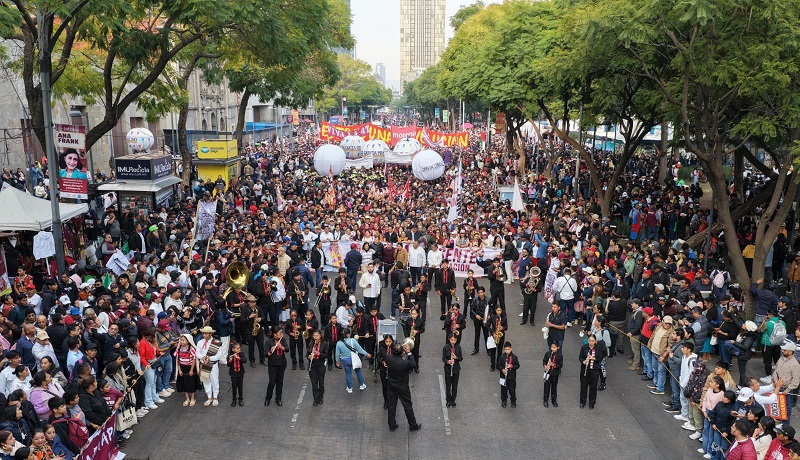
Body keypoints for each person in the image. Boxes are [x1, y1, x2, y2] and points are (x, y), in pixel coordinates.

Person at [383, 343, 421, 432]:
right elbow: (413, 364)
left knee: (392, 405)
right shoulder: (405, 363)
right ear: (402, 353)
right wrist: (409, 353)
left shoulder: (388, 358)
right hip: (403, 387)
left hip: (392, 385)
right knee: (407, 406)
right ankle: (413, 425)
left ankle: (392, 425)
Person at [334, 328, 371, 394]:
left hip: (345, 360)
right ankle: (361, 385)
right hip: (354, 359)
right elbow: (360, 349)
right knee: (358, 372)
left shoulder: (339, 343)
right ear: (348, 334)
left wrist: (337, 361)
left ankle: (350, 388)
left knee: (348, 373)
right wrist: (366, 354)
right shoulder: (353, 340)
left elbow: (337, 354)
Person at [195, 326, 222, 407]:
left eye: (206, 333)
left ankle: (215, 397)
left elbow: (219, 355)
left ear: (210, 334)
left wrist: (209, 358)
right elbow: (197, 353)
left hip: (213, 364)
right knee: (206, 380)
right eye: (203, 333)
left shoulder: (217, 342)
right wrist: (202, 357)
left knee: (214, 380)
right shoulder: (200, 342)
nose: (204, 335)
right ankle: (209, 397)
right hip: (204, 364)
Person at [579, 334, 607, 409]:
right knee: (583, 386)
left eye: (592, 341)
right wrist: (583, 361)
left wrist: (593, 358)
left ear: (595, 341)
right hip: (585, 369)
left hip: (594, 370)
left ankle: (592, 403)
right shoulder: (584, 347)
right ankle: (582, 401)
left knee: (593, 387)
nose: (591, 342)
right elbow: (580, 357)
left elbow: (600, 358)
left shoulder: (598, 348)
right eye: (589, 341)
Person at [264, 326, 289, 407]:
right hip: (273, 365)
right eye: (280, 333)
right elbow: (266, 354)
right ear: (274, 335)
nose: (282, 334)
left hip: (282, 364)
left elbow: (287, 349)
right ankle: (268, 398)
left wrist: (281, 347)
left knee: (280, 382)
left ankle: (278, 398)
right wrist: (271, 350)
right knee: (272, 382)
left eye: (282, 332)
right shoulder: (269, 342)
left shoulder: (283, 340)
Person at [174, 333, 198, 407]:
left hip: (190, 367)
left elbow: (193, 359)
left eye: (183, 340)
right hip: (182, 367)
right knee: (184, 383)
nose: (182, 342)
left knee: (191, 383)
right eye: (181, 340)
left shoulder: (191, 349)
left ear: (188, 341)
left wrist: (191, 370)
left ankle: (193, 398)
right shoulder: (179, 349)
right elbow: (178, 359)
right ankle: (187, 398)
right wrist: (179, 370)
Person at [307, 330, 327, 407]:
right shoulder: (311, 343)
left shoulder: (324, 344)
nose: (315, 337)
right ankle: (316, 399)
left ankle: (320, 398)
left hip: (320, 365)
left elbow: (326, 354)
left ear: (320, 336)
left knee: (321, 383)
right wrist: (309, 356)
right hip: (313, 365)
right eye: (314, 336)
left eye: (317, 336)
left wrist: (318, 353)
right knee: (314, 384)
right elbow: (307, 353)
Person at [442, 333, 462, 407]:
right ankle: (448, 400)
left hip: (456, 369)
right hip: (448, 369)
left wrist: (456, 357)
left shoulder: (458, 347)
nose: (453, 342)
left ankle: (453, 400)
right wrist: (448, 361)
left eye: (454, 340)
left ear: (456, 340)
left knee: (454, 386)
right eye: (451, 340)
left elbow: (461, 358)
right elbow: (443, 358)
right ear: (449, 339)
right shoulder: (446, 347)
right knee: (448, 386)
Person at [498, 342, 519, 408]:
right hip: (503, 377)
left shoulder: (514, 357)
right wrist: (502, 370)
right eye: (505, 349)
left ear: (511, 349)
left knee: (512, 390)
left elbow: (517, 365)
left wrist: (511, 366)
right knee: (503, 390)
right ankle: (504, 401)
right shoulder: (501, 357)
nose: (507, 351)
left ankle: (513, 401)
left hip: (511, 377)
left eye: (508, 349)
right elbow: (498, 365)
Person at [487, 305, 507, 372]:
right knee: (493, 352)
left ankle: (499, 364)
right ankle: (492, 365)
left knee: (499, 351)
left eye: (500, 310)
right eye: (498, 310)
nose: (499, 312)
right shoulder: (492, 317)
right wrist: (493, 333)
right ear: (495, 310)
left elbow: (506, 327)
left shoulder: (504, 317)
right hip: (494, 336)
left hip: (501, 336)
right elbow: (487, 326)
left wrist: (502, 328)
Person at [377, 335, 395, 410]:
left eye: (389, 342)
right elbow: (378, 358)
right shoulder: (382, 348)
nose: (388, 343)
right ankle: (386, 401)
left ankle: (392, 401)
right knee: (385, 387)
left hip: (392, 370)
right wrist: (382, 362)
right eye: (386, 342)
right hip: (384, 370)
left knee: (392, 387)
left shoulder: (394, 348)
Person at [543, 341, 562, 408]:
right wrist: (545, 366)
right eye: (551, 347)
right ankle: (545, 400)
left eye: (554, 347)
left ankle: (554, 400)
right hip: (548, 373)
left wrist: (553, 364)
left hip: (555, 374)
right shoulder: (548, 354)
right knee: (546, 387)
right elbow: (544, 361)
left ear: (558, 347)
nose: (552, 349)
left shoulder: (559, 355)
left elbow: (560, 365)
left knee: (554, 387)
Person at [227, 342, 245, 407]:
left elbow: (245, 360)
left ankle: (240, 399)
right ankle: (234, 400)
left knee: (240, 386)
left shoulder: (241, 354)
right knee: (234, 387)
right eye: (237, 349)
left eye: (239, 348)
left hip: (240, 373)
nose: (239, 350)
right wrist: (230, 360)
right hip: (233, 374)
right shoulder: (229, 355)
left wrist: (238, 358)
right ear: (233, 349)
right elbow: (228, 365)